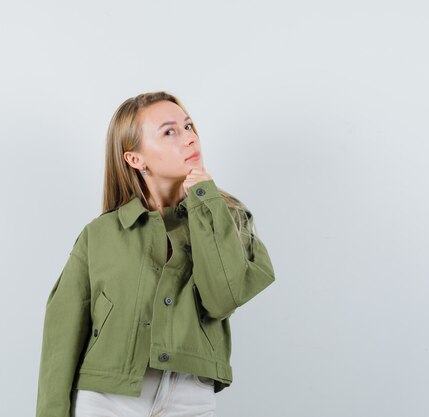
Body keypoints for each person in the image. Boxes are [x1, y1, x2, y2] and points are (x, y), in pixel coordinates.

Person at [35, 91, 276, 417]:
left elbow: (223, 297)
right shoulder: (100, 235)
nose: (190, 138)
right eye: (170, 132)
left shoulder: (230, 218)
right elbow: (61, 339)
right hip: (106, 397)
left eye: (189, 126)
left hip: (190, 397)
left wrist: (204, 200)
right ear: (135, 159)